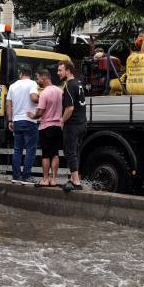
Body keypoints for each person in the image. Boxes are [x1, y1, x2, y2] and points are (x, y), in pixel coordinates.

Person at [5, 65, 40, 184]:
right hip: (29, 121)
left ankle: (16, 176)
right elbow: (34, 97)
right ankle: (26, 176)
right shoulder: (32, 83)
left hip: (17, 121)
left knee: (17, 150)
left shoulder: (13, 86)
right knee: (30, 149)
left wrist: (10, 120)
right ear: (31, 75)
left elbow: (8, 104)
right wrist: (43, 99)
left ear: (21, 74)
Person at [31, 68, 64, 187]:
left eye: (38, 78)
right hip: (57, 126)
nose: (38, 80)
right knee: (55, 153)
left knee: (45, 154)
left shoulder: (44, 93)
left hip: (46, 127)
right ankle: (54, 179)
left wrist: (32, 116)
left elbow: (40, 112)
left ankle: (45, 179)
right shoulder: (60, 91)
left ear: (44, 78)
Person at [58, 59, 87, 192]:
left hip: (73, 125)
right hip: (82, 123)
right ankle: (77, 178)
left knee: (70, 152)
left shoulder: (69, 85)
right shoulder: (79, 83)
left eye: (60, 70)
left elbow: (69, 108)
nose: (58, 73)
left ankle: (75, 181)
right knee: (76, 152)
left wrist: (62, 120)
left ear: (68, 70)